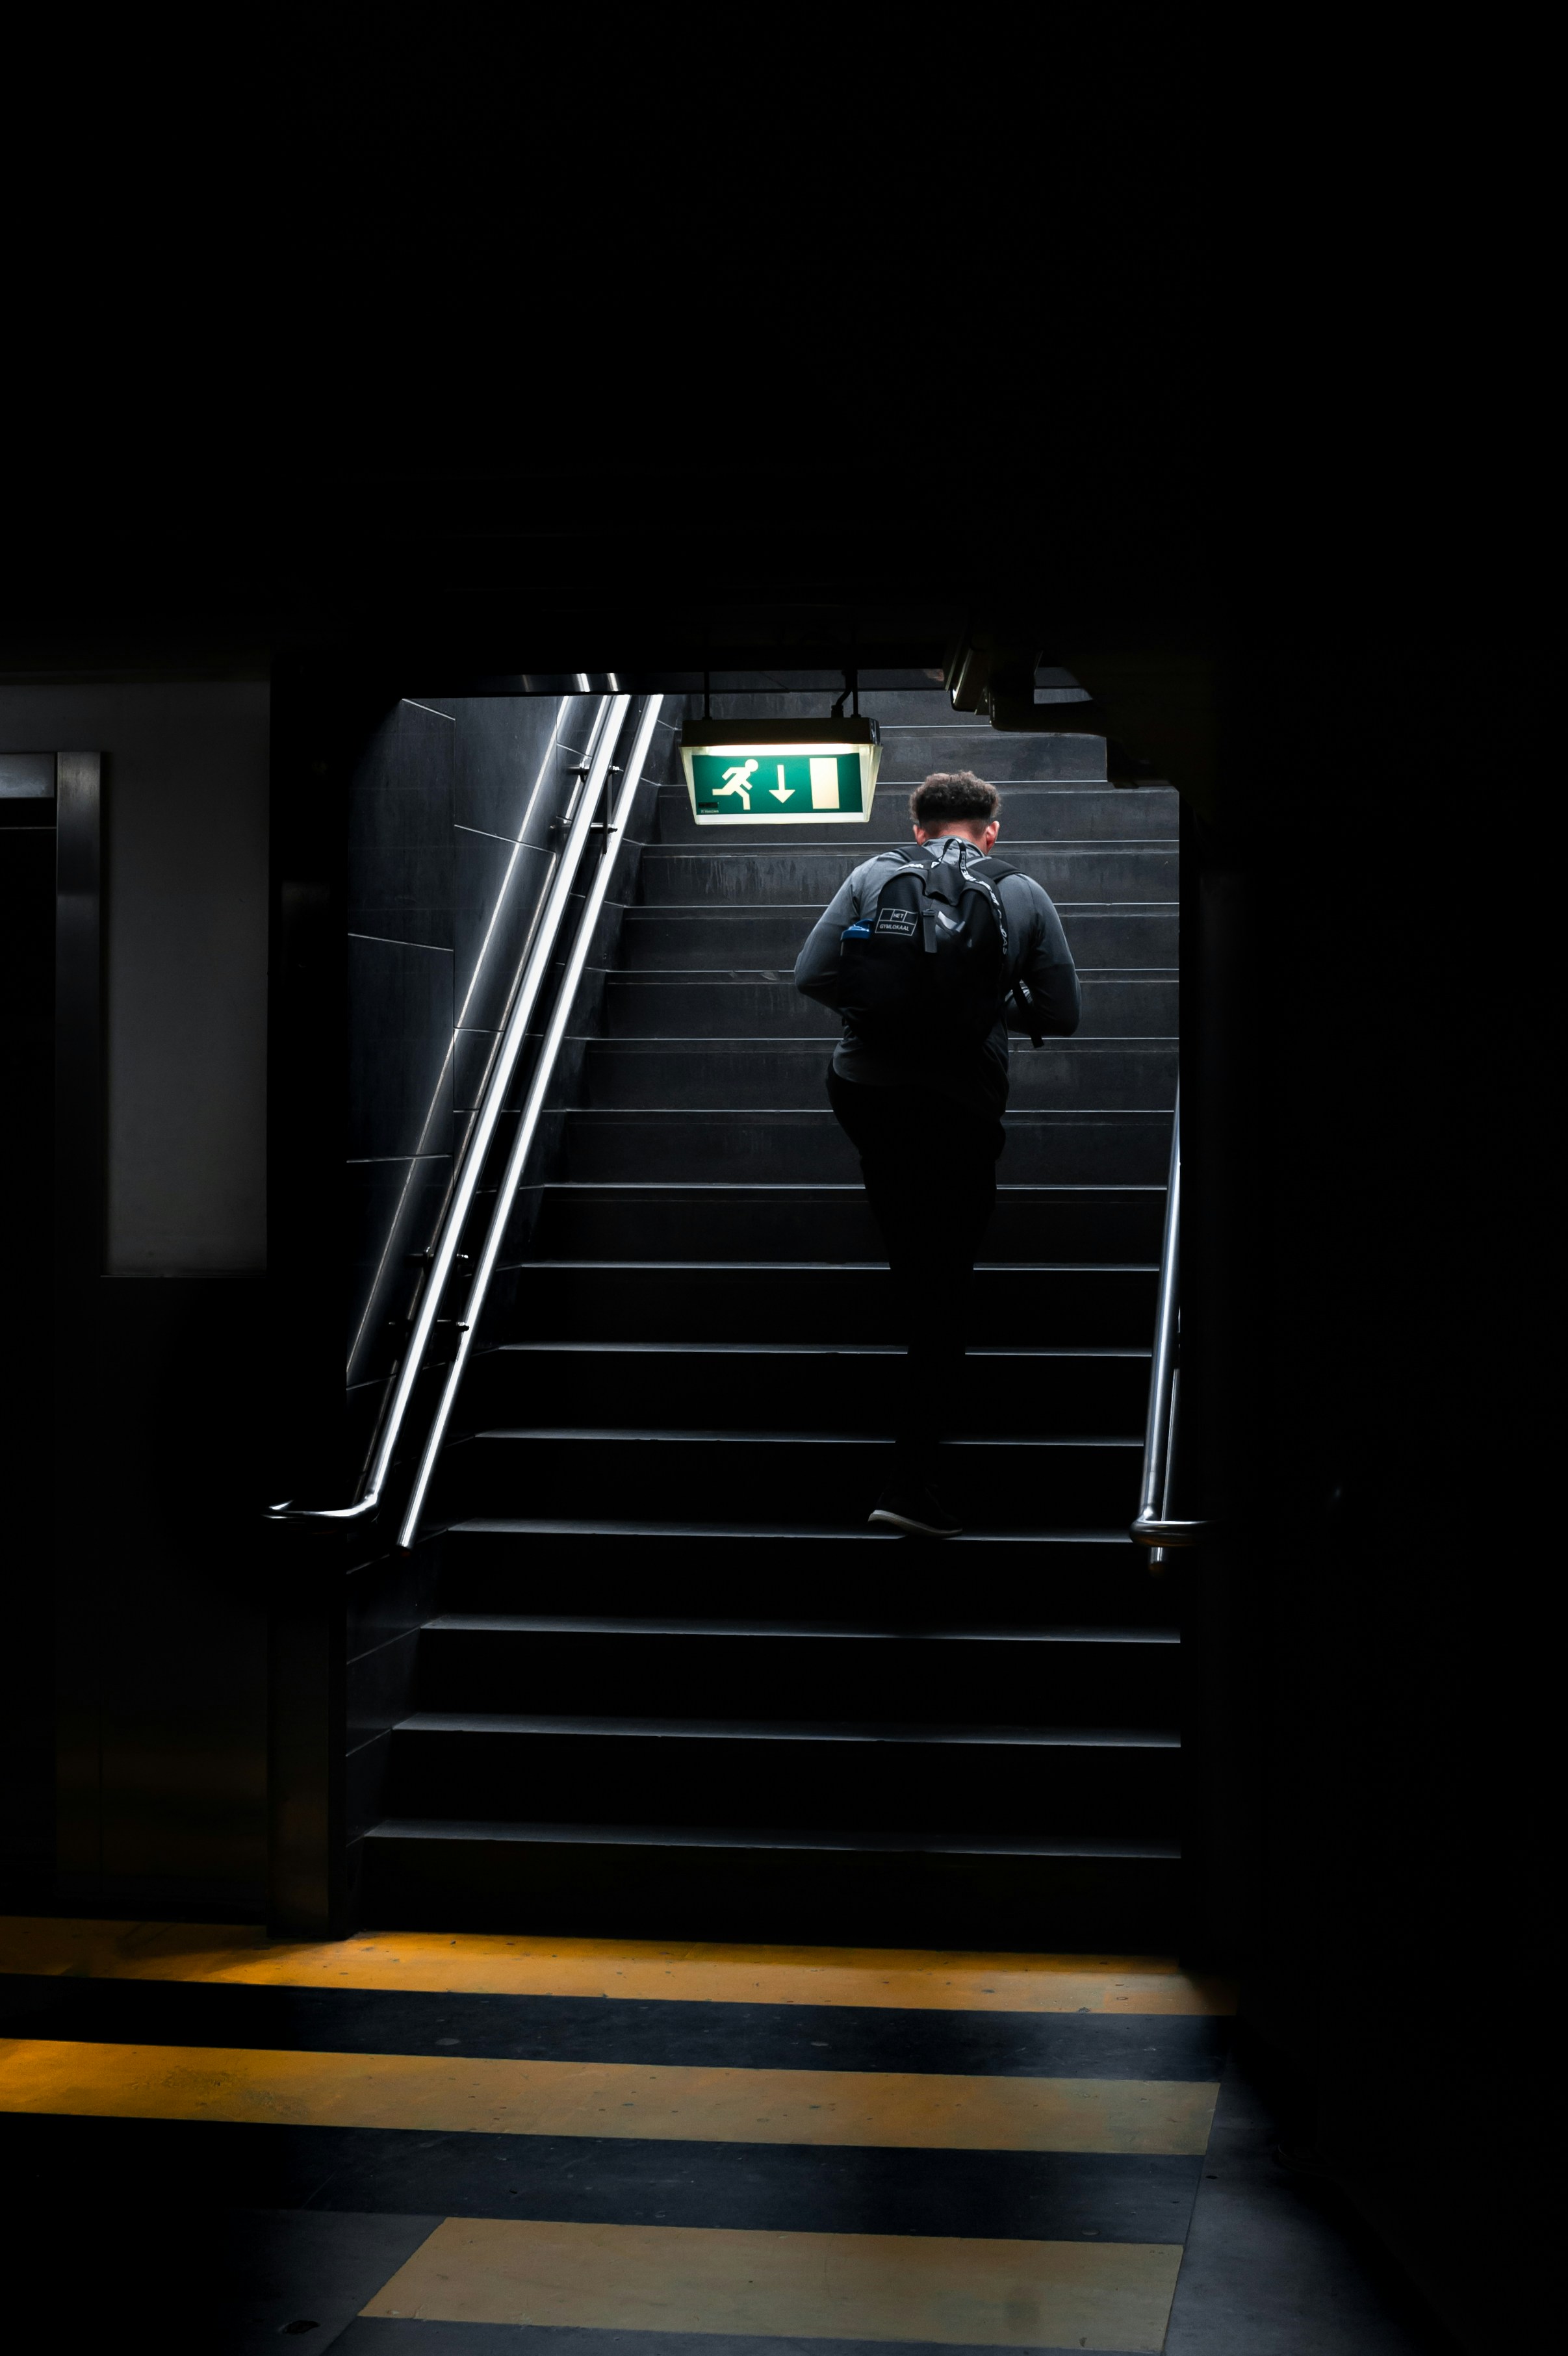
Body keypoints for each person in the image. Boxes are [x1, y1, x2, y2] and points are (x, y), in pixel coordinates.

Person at [793, 769, 1081, 1537]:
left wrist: (889, 1006)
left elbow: (812, 973)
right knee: (944, 1277)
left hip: (867, 1085)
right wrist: (977, 1003)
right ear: (991, 830)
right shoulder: (1021, 890)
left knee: (900, 1206)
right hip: (961, 1100)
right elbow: (1063, 1012)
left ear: (917, 829)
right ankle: (911, 1478)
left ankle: (907, 1270)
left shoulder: (874, 873)